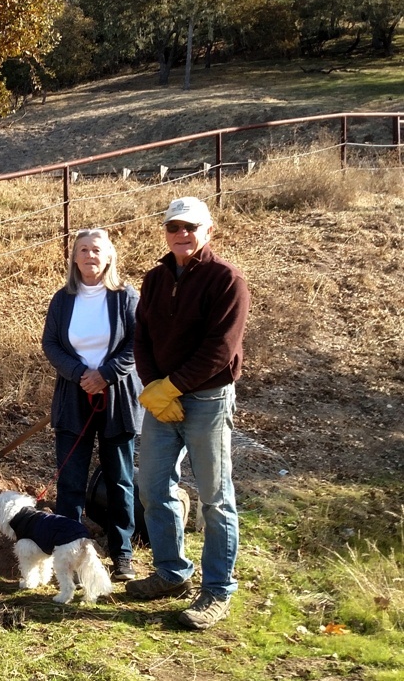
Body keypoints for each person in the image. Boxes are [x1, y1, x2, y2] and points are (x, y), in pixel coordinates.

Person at [129, 196, 250, 630]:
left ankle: (217, 590)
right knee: (152, 486)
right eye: (173, 227)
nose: (181, 234)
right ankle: (171, 572)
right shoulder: (156, 277)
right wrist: (154, 385)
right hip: (163, 398)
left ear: (208, 230)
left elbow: (220, 349)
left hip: (208, 400)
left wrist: (173, 386)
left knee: (216, 499)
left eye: (190, 227)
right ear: (165, 232)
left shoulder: (227, 280)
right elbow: (141, 336)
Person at [41, 228, 144, 582]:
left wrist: (107, 374)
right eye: (82, 250)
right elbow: (51, 344)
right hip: (73, 397)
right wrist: (80, 373)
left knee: (120, 479)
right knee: (70, 481)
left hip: (117, 398)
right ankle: (69, 558)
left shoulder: (126, 297)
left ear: (109, 256)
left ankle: (123, 556)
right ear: (74, 258)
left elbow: (137, 342)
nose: (89, 256)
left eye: (96, 250)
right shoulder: (63, 299)